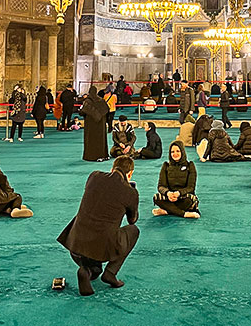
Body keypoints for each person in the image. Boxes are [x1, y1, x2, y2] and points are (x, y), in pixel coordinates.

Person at [57, 156, 139, 296]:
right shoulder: (130, 192)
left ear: (112, 168)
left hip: (76, 245)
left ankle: (87, 270)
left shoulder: (94, 176)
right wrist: (132, 195)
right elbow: (132, 220)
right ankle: (110, 273)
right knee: (133, 231)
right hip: (103, 247)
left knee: (87, 223)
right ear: (130, 173)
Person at [152, 141, 200, 219]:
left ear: (182, 152)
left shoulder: (190, 165)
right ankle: (183, 214)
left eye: (178, 151)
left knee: (190, 199)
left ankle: (167, 211)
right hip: (170, 197)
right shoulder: (166, 166)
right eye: (172, 152)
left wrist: (179, 193)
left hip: (183, 197)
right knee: (156, 197)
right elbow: (161, 186)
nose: (175, 154)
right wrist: (168, 193)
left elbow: (191, 188)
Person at [81, 86, 110, 162]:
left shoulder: (87, 101)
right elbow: (107, 110)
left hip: (90, 125)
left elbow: (82, 112)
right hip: (101, 125)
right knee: (101, 139)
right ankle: (103, 155)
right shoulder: (101, 100)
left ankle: (91, 156)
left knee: (91, 140)